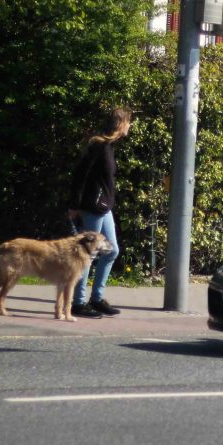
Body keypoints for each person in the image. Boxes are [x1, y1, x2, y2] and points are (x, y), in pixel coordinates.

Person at [66, 107, 132, 318]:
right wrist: (74, 205)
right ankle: (78, 302)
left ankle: (96, 298)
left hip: (104, 207)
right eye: (128, 122)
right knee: (88, 254)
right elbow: (80, 175)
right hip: (92, 207)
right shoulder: (99, 146)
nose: (130, 126)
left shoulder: (109, 147)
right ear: (121, 124)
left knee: (111, 251)